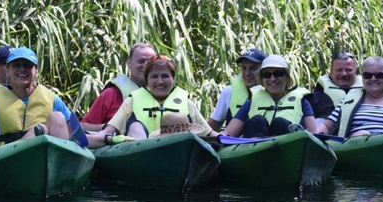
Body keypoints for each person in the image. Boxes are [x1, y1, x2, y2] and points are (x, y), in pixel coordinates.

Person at [87, 55, 216, 147]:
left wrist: (228, 140)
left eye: (165, 76)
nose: (160, 81)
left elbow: (209, 133)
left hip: (179, 149)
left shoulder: (187, 104)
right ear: (147, 80)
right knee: (136, 126)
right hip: (143, 152)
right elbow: (106, 133)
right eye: (154, 76)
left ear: (173, 79)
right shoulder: (131, 102)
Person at [316, 56, 383, 138]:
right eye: (368, 75)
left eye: (379, 75)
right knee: (362, 134)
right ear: (362, 78)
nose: (373, 79)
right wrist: (314, 136)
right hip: (356, 151)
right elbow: (326, 126)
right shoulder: (348, 101)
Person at [223, 55, 317, 138]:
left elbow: (314, 135)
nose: (272, 79)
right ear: (262, 79)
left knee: (280, 123)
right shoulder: (252, 101)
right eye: (267, 75)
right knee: (257, 121)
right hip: (255, 150)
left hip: (288, 149)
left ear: (287, 77)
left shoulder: (302, 101)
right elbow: (228, 133)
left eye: (278, 74)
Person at [80, 42, 157, 132]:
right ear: (129, 63)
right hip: (116, 143)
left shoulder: (162, 95)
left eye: (150, 62)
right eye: (141, 61)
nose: (146, 65)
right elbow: (83, 126)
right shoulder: (111, 93)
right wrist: (110, 128)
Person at [206, 48, 267, 131]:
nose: (247, 73)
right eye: (244, 68)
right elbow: (210, 129)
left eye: (253, 68)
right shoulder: (229, 92)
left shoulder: (273, 92)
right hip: (233, 141)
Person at [310, 51, 363, 119]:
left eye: (348, 70)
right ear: (331, 72)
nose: (344, 74)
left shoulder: (368, 92)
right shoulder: (317, 96)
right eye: (339, 70)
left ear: (355, 72)